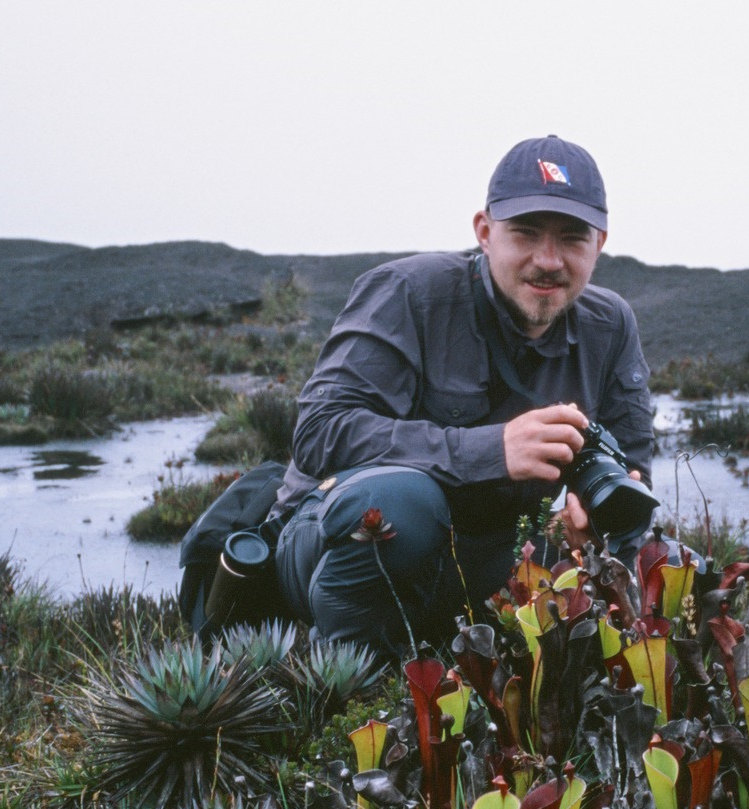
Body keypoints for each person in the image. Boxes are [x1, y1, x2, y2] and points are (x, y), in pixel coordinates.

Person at [268, 136, 657, 657]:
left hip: (486, 556)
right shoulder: (408, 292)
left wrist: (596, 527)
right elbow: (319, 436)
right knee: (404, 505)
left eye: (571, 238)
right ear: (484, 232)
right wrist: (491, 450)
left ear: (599, 244)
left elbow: (633, 474)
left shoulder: (610, 325)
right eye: (524, 233)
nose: (548, 259)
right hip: (326, 540)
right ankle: (349, 688)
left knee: (669, 557)